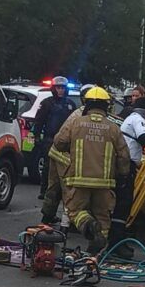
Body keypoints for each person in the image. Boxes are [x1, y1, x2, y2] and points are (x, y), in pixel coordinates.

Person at [50, 87, 130, 254]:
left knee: (75, 211)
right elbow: (124, 156)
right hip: (104, 183)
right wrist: (123, 176)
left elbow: (59, 142)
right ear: (106, 106)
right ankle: (96, 253)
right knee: (103, 217)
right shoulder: (113, 128)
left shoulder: (75, 123)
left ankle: (88, 225)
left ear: (86, 104)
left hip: (79, 180)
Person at [109, 97, 145, 254]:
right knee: (124, 204)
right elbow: (143, 138)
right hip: (127, 165)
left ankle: (116, 241)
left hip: (123, 163)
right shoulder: (138, 119)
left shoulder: (130, 118)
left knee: (121, 204)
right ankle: (117, 244)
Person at [36, 76, 78, 220]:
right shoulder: (47, 103)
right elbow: (39, 121)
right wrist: (37, 138)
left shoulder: (71, 104)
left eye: (62, 88)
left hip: (67, 143)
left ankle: (54, 209)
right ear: (54, 89)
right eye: (58, 88)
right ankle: (44, 190)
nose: (60, 90)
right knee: (49, 168)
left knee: (65, 172)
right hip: (50, 139)